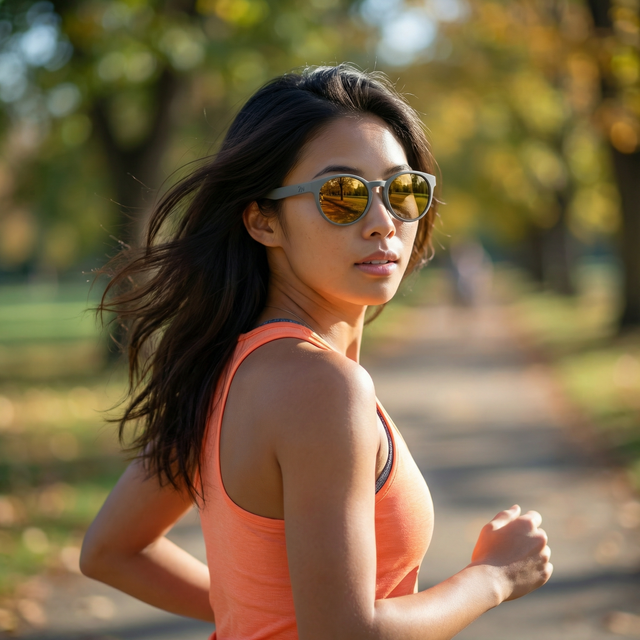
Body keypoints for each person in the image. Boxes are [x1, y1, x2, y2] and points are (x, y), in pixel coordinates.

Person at [80, 64, 552, 639]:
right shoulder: (320, 387)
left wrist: (264, 613)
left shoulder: (227, 367)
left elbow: (110, 550)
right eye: (342, 194)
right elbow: (348, 634)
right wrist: (493, 577)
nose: (383, 223)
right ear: (263, 220)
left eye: (402, 191)